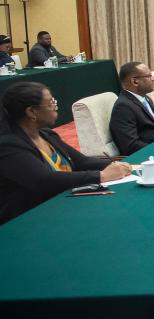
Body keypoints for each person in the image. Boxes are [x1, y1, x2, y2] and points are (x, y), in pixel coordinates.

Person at [0, 82, 132, 224]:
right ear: (32, 112)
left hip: (64, 204)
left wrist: (120, 165)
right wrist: (102, 175)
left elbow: (82, 162)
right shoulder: (8, 145)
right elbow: (44, 181)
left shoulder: (47, 135)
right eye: (51, 103)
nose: (56, 107)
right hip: (29, 218)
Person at [108, 62, 154, 156]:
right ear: (135, 81)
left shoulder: (145, 99)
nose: (153, 79)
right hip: (150, 156)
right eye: (149, 76)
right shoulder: (123, 107)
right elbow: (130, 145)